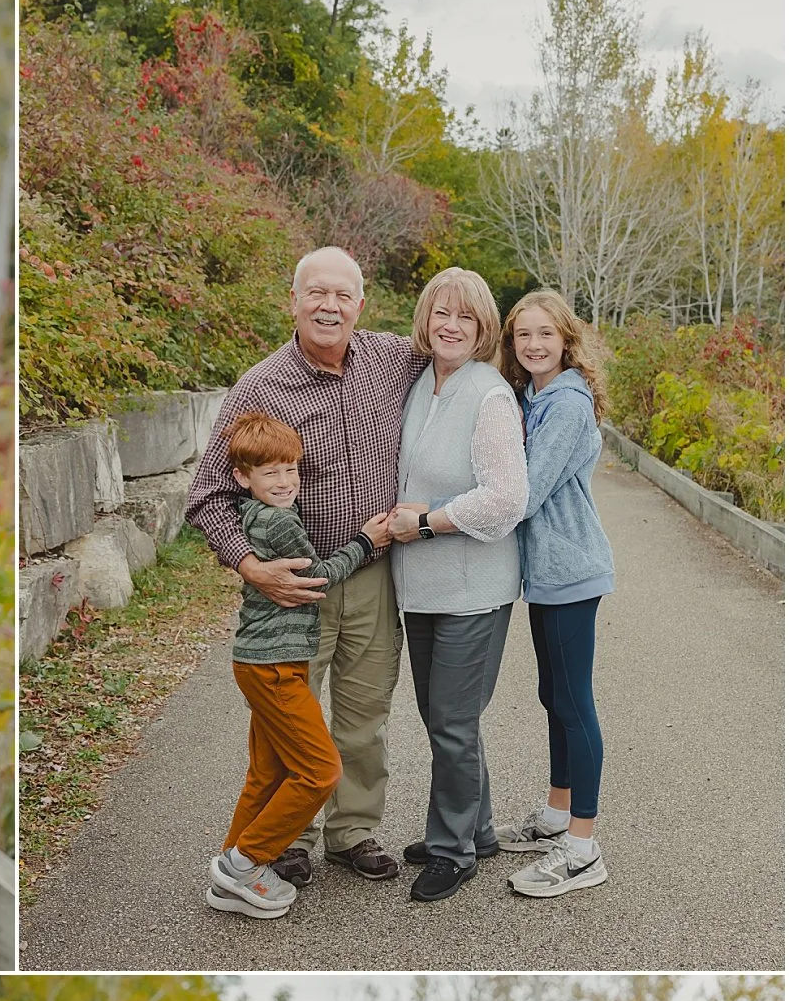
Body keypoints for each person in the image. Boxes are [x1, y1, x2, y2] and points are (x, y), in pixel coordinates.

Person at [186, 247, 429, 883]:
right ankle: (285, 838)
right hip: (293, 584)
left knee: (365, 711)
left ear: (361, 304)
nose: (330, 306)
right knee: (288, 720)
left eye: (342, 295)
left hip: (372, 573)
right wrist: (248, 565)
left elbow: (458, 341)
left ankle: (354, 832)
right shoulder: (260, 386)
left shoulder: (392, 359)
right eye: (316, 293)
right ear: (292, 302)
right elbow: (207, 493)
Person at [379, 267, 530, 904]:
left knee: (451, 721)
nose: (451, 325)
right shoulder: (419, 383)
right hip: (419, 587)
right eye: (442, 313)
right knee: (445, 717)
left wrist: (427, 523)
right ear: (425, 319)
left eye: (465, 317)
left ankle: (452, 850)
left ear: (482, 328)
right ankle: (479, 828)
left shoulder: (488, 394)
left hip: (473, 588)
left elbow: (507, 500)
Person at [208, 410, 392, 920]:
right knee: (319, 769)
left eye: (291, 469)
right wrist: (365, 542)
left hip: (258, 660)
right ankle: (246, 862)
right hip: (276, 666)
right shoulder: (281, 521)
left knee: (267, 772)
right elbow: (319, 578)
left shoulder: (251, 513)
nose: (286, 481)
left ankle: (232, 873)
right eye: (271, 473)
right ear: (242, 478)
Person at [497, 289, 617, 899]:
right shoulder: (532, 394)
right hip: (545, 573)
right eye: (524, 336)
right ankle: (555, 814)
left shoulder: (565, 401)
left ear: (566, 340)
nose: (534, 344)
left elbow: (526, 487)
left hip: (570, 570)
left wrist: (436, 514)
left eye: (546, 334)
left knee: (574, 702)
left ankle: (582, 848)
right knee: (552, 695)